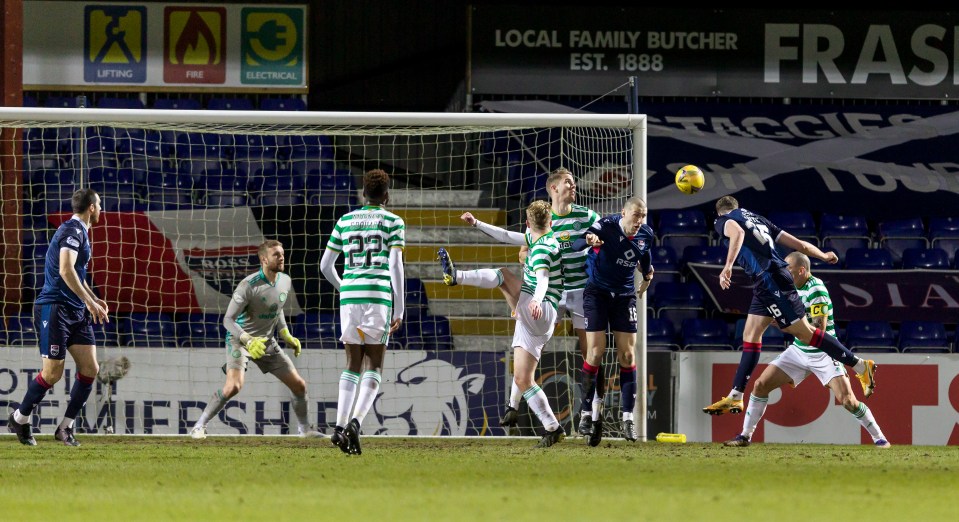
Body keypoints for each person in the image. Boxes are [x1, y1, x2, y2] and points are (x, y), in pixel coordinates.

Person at [703, 196, 877, 416]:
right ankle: (735, 397)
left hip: (770, 280)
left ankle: (860, 366)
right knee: (751, 333)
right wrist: (822, 255)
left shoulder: (723, 220)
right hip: (764, 282)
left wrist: (727, 266)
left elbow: (737, 233)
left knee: (804, 333)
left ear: (721, 212)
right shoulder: (757, 218)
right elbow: (800, 245)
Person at [724, 252, 891, 448]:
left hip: (825, 353)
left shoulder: (817, 290)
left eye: (788, 269)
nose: (784, 272)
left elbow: (818, 331)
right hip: (799, 350)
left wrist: (785, 323)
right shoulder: (788, 286)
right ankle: (745, 436)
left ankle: (880, 438)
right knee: (760, 385)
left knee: (848, 401)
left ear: (802, 270)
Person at [438, 200, 566, 447]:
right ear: (549, 222)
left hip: (540, 307)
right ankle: (551, 427)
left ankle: (457, 277)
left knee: (503, 275)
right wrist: (476, 223)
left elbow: (542, 278)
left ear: (528, 223)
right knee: (522, 378)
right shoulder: (540, 237)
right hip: (539, 314)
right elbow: (506, 235)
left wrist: (537, 301)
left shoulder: (542, 248)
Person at [7, 188, 109, 446]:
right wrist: (90, 302)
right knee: (52, 374)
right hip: (55, 308)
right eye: (100, 205)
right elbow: (65, 269)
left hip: (75, 310)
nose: (101, 209)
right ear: (92, 208)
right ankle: (19, 418)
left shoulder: (81, 232)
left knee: (90, 368)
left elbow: (76, 273)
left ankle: (65, 427)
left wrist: (92, 299)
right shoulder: (72, 232)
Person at [190, 239, 321, 440]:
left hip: (267, 341)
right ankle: (198, 426)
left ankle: (304, 430)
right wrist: (248, 340)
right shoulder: (248, 285)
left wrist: (285, 333)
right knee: (234, 386)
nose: (281, 257)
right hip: (240, 341)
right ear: (264, 259)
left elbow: (277, 308)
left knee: (299, 385)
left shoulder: (285, 280)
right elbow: (227, 320)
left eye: (282, 253)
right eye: (276, 254)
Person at [507, 168, 601, 434]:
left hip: (583, 291)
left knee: (590, 353)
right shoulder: (542, 218)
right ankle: (512, 405)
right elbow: (523, 253)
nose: (573, 185)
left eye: (574, 182)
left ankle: (591, 415)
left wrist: (596, 243)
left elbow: (604, 240)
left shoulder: (588, 216)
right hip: (553, 294)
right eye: (568, 182)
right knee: (533, 345)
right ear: (553, 188)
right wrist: (538, 260)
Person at [320, 169, 406, 456]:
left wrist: (344, 286)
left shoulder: (345, 220)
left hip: (350, 297)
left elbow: (325, 266)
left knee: (351, 362)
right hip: (377, 296)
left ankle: (338, 426)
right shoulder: (393, 221)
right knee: (375, 364)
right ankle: (355, 424)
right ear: (387, 195)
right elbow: (395, 266)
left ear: (363, 193)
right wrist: (400, 307)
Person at [572, 196, 654, 445]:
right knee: (595, 353)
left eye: (643, 215)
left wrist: (648, 274)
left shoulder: (646, 234)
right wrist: (588, 240)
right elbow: (578, 243)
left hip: (625, 296)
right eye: (636, 215)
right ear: (623, 213)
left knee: (628, 356)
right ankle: (586, 414)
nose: (639, 220)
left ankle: (627, 418)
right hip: (597, 293)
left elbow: (645, 257)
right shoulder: (606, 226)